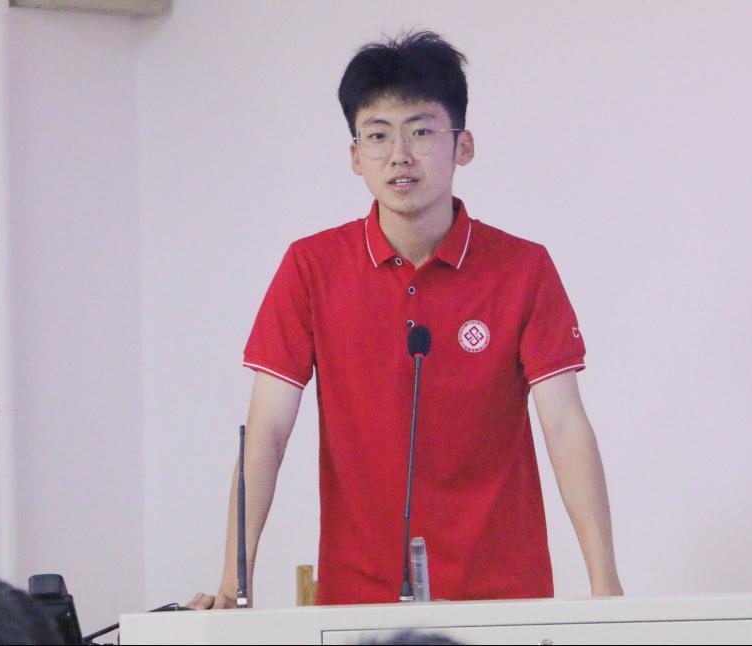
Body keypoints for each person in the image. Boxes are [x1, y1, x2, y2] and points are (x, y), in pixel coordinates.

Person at [188, 30, 622, 608]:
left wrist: (605, 587)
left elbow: (564, 425)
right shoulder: (311, 267)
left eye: (421, 131)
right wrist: (232, 586)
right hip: (359, 597)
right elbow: (267, 430)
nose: (400, 155)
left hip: (503, 593)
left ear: (463, 145)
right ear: (355, 155)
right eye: (377, 135)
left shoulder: (523, 268)